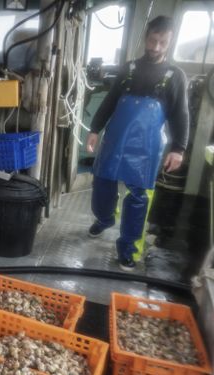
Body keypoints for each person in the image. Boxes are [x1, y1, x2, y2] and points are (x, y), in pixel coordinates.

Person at [86, 16, 188, 272]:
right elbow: (110, 101)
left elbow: (181, 114)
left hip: (146, 147)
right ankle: (105, 218)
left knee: (138, 197)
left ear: (170, 41)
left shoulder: (175, 75)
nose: (155, 47)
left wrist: (179, 148)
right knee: (101, 182)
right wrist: (95, 129)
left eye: (162, 42)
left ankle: (127, 248)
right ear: (146, 37)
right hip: (115, 139)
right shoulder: (128, 68)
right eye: (152, 40)